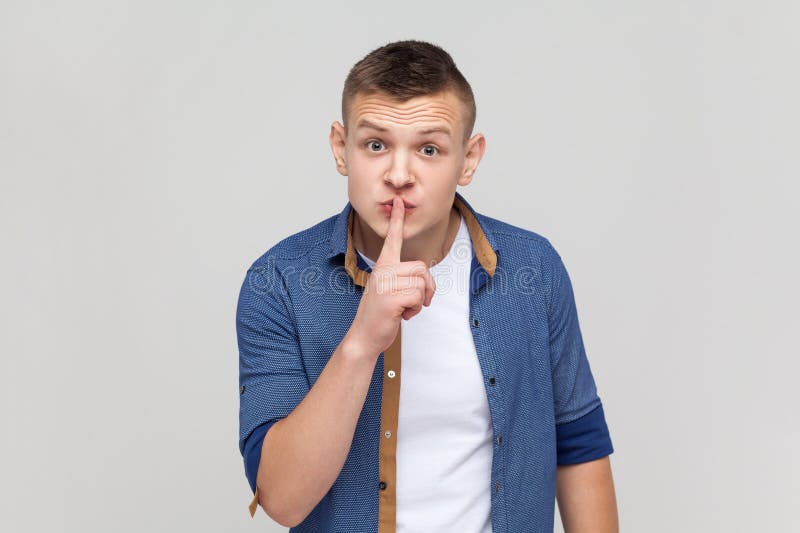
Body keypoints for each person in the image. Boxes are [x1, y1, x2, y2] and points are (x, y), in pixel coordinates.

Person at [237, 39, 618, 532]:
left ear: (469, 159)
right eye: (375, 145)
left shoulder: (532, 270)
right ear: (340, 149)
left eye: (429, 149)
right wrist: (361, 342)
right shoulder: (278, 282)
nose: (399, 174)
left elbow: (579, 442)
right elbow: (282, 500)